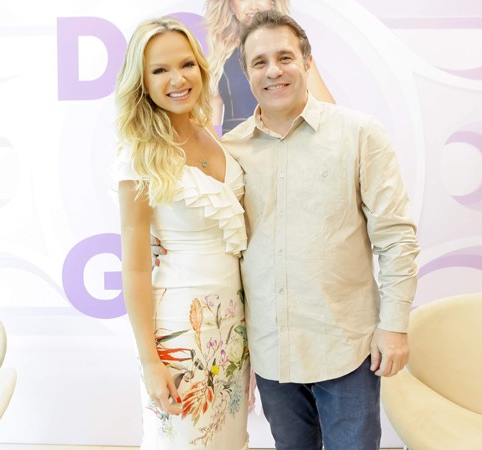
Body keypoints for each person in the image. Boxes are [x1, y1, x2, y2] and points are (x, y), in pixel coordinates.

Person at [220, 10, 420, 450]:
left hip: (347, 348)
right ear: (247, 73)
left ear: (307, 62)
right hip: (272, 353)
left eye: (285, 57)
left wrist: (394, 326)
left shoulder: (360, 135)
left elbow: (396, 237)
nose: (273, 71)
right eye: (259, 62)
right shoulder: (229, 152)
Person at [112, 17, 250, 450]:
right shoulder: (138, 156)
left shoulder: (214, 137)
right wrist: (150, 362)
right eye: (160, 70)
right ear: (142, 82)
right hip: (178, 327)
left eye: (187, 64)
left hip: (233, 325)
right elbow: (135, 269)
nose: (178, 79)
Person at [204, 0, 334, 135]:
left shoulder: (295, 53)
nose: (253, 5)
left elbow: (329, 111)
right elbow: (212, 119)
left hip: (286, 140)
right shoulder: (219, 57)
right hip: (236, 144)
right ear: (230, 4)